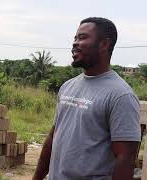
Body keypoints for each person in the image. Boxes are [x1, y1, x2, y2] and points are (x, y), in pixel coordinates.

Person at [33, 17, 141, 180]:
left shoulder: (121, 96)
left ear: (104, 44)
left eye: (82, 38)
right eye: (75, 38)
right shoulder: (68, 86)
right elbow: (53, 138)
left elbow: (125, 159)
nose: (75, 43)